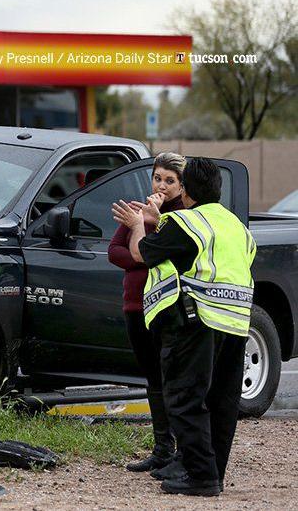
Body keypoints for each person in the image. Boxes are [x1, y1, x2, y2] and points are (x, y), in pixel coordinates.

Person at [112, 158, 256, 497]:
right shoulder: (238, 227)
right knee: (222, 403)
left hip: (196, 322)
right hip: (236, 324)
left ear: (186, 191)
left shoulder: (186, 222)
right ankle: (212, 475)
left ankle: (201, 476)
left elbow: (141, 254)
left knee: (185, 399)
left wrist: (138, 225)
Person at [108, 152, 185, 474]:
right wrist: (142, 255)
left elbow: (169, 256)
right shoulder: (136, 211)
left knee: (174, 379)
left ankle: (183, 453)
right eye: (157, 178)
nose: (161, 186)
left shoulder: (182, 216)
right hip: (135, 305)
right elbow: (114, 252)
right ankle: (162, 449)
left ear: (182, 186)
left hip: (167, 306)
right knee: (153, 378)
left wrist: (145, 243)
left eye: (169, 181)